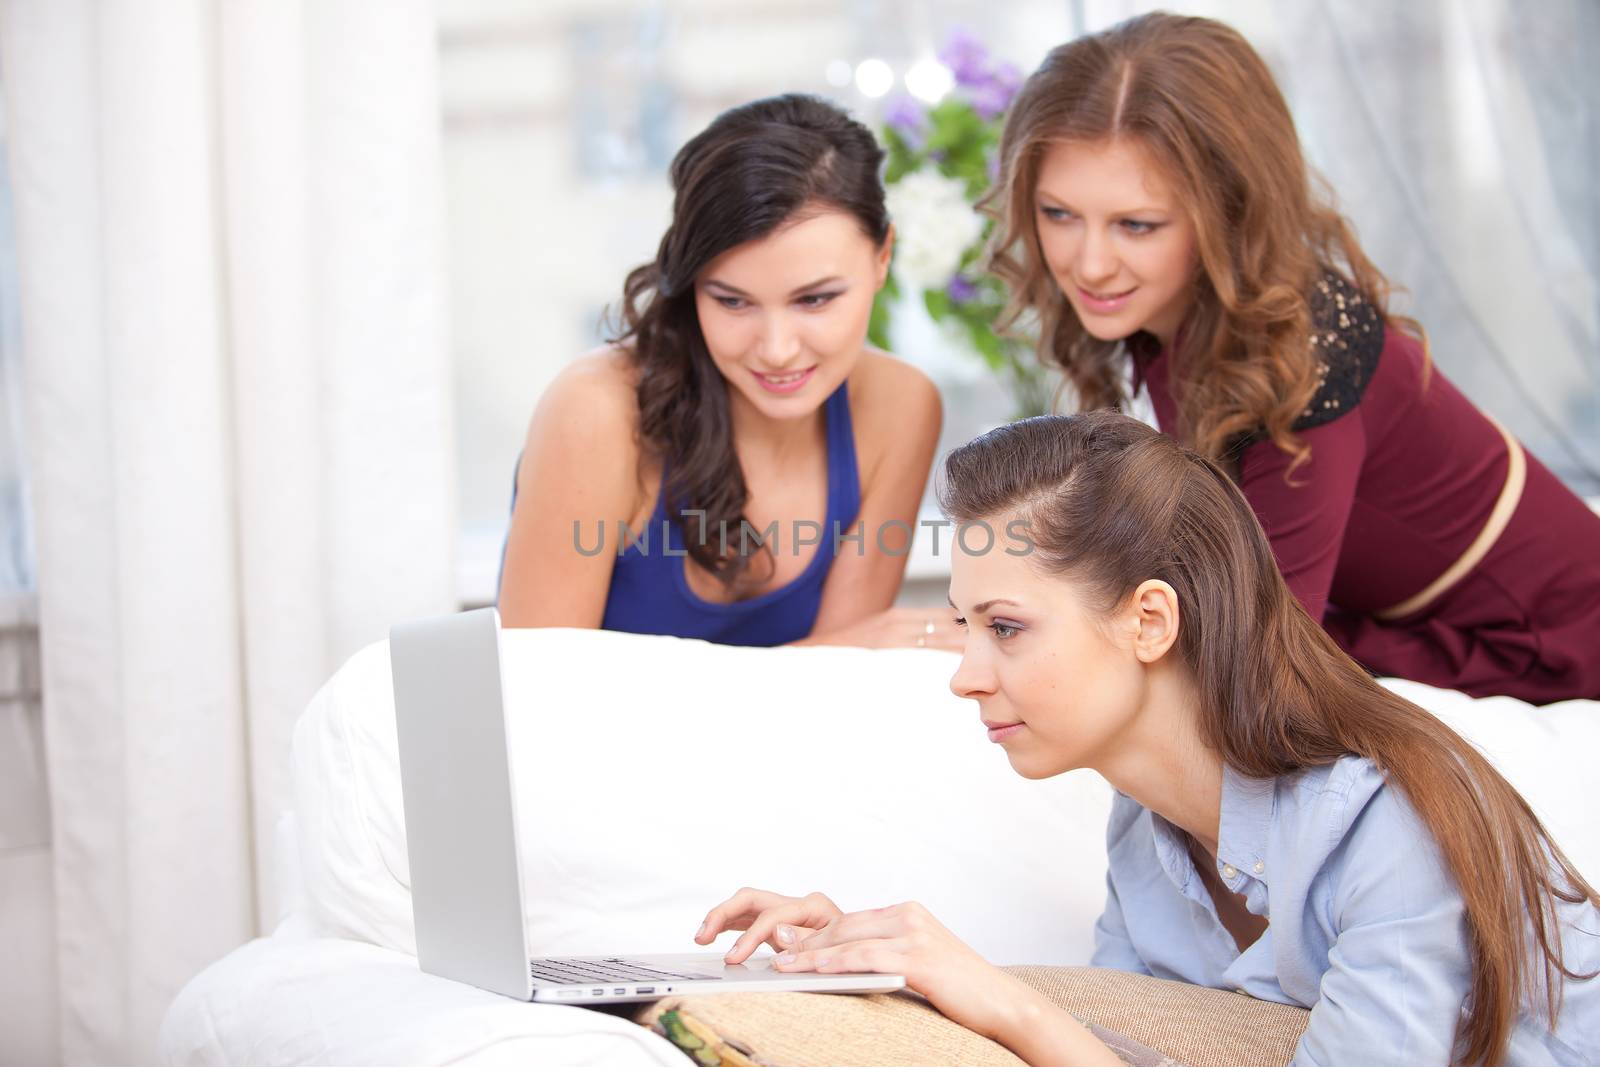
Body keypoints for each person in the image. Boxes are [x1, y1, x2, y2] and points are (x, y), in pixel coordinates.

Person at [697, 411, 1599, 1067]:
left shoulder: (1389, 827)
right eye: (965, 625)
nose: (964, 673)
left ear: (1150, 619)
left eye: (1005, 627)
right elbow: (1121, 1050)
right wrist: (886, 966)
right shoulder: (1145, 835)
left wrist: (1006, 1000)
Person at [982, 13, 1600, 701]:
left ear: (1231, 212)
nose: (1089, 264)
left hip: (1543, 644)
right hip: (1375, 618)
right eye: (1059, 214)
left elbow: (1255, 656)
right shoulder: (1167, 307)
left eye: (1137, 224)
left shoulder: (1300, 362)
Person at [497, 94, 959, 649]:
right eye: (732, 302)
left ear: (883, 258)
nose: (777, 350)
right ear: (692, 285)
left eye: (814, 300)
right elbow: (535, 700)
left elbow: (840, 695)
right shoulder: (596, 411)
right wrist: (832, 657)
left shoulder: (900, 406)